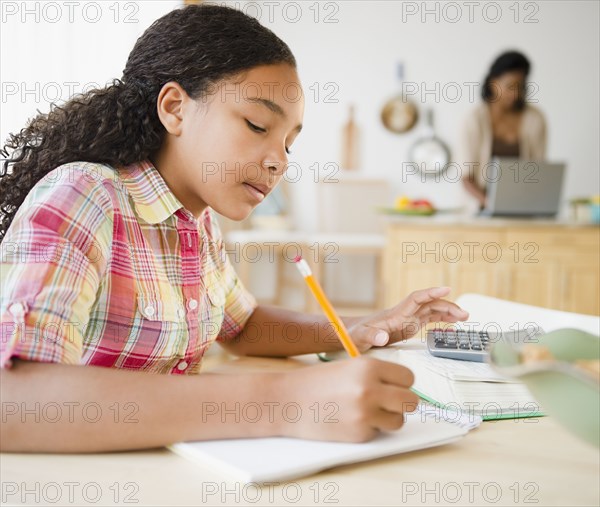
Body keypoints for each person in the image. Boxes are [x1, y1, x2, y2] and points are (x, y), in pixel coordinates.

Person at [0, 4, 468, 453]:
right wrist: (283, 401)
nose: (279, 161)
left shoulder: (197, 222)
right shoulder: (84, 194)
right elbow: (13, 401)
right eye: (258, 124)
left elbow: (243, 327)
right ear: (175, 108)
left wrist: (361, 327)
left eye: (289, 143)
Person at [460, 51, 547, 208]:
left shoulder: (535, 119)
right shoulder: (475, 119)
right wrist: (491, 204)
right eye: (509, 86)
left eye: (520, 87)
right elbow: (466, 176)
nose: (515, 94)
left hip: (522, 207)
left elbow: (539, 170)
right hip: (480, 209)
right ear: (493, 83)